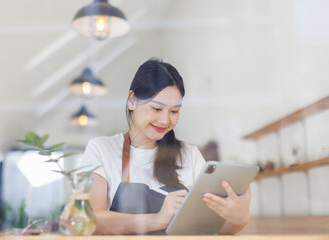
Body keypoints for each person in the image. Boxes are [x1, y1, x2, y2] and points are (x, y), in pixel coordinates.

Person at [80, 58, 251, 235]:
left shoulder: (190, 155)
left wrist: (238, 218)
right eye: (156, 108)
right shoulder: (101, 149)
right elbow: (90, 219)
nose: (165, 120)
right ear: (132, 100)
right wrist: (157, 219)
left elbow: (209, 229)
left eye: (174, 111)